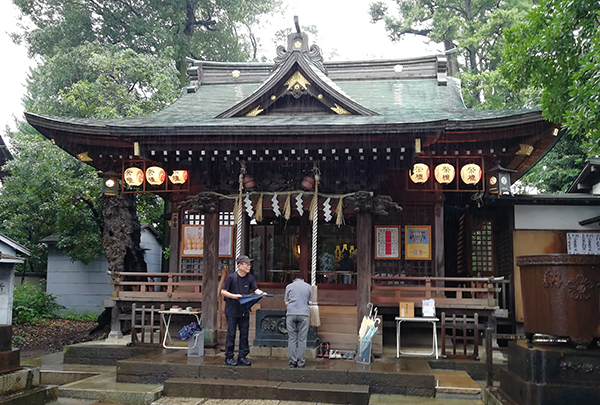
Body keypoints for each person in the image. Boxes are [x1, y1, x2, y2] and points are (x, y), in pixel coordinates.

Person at [221, 255, 266, 366]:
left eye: (249, 264)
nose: (248, 267)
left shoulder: (250, 278)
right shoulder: (232, 277)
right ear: (239, 265)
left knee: (244, 334)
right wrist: (234, 296)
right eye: (246, 264)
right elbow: (223, 291)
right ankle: (229, 357)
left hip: (244, 309)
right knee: (231, 333)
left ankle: (242, 356)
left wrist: (262, 294)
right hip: (232, 310)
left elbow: (255, 290)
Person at [284, 275, 313, 368]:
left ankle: (293, 361)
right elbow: (310, 302)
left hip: (291, 314)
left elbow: (286, 302)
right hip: (304, 314)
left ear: (294, 280)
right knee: (302, 339)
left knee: (292, 338)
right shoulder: (308, 286)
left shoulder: (289, 286)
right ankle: (301, 361)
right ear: (303, 280)